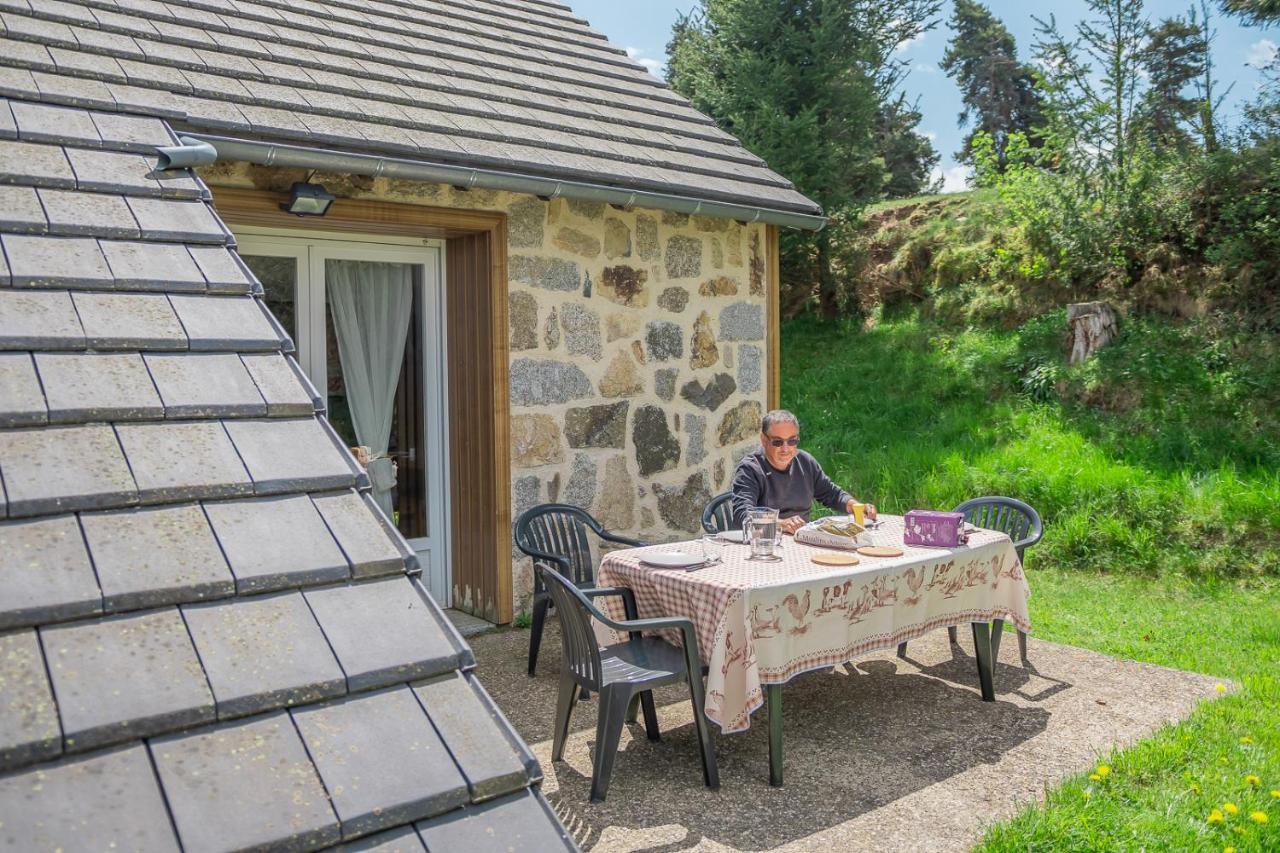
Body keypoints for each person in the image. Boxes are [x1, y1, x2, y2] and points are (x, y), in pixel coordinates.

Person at [731, 409, 877, 535]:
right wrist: (780, 524)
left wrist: (856, 506)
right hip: (764, 544)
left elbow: (831, 494)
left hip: (802, 540)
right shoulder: (750, 469)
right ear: (763, 440)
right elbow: (743, 515)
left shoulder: (805, 462)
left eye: (792, 441)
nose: (786, 449)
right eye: (777, 442)